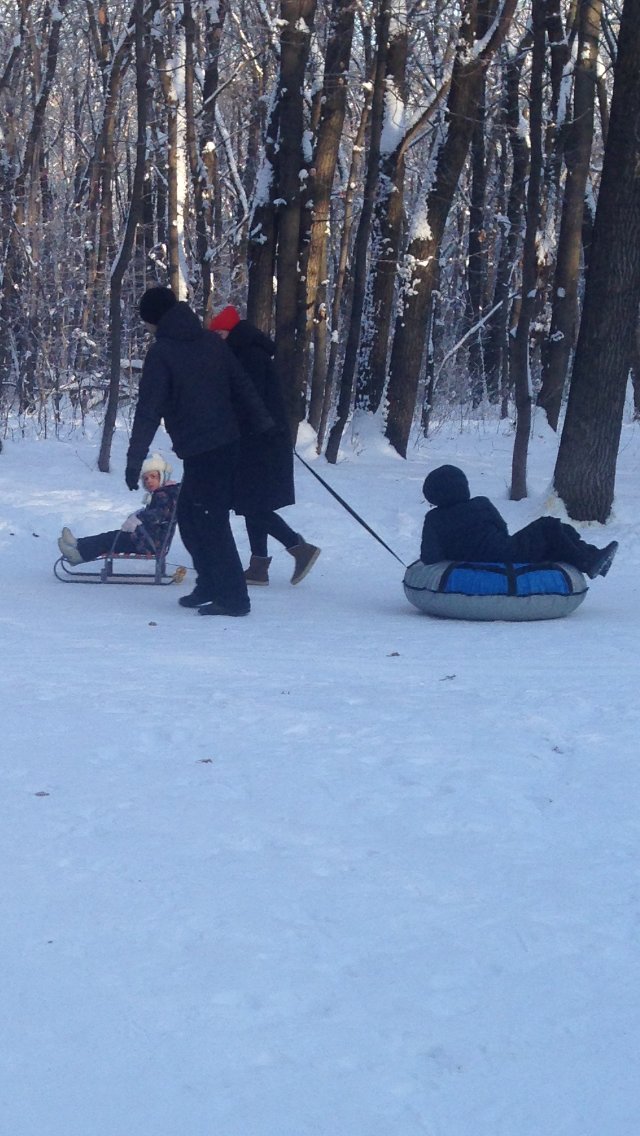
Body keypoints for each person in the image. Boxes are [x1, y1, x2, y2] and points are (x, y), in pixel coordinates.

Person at [127, 286, 273, 616]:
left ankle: (235, 598)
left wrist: (134, 459)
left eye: (146, 321)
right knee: (192, 518)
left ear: (154, 319)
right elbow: (242, 384)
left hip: (209, 449)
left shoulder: (162, 353)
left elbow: (148, 411)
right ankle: (209, 583)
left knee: (210, 521)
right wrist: (262, 421)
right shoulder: (210, 341)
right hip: (214, 446)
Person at [209, 305, 321, 586]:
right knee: (251, 503)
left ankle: (298, 547)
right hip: (257, 440)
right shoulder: (245, 352)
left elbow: (249, 403)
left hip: (260, 443)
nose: (217, 340)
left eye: (219, 334)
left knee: (252, 504)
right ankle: (259, 566)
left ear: (230, 331)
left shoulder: (248, 355)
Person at [420, 464, 618, 578]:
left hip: (479, 560)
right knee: (549, 526)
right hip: (505, 554)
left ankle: (592, 557)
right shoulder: (480, 504)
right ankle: (587, 560)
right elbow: (502, 528)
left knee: (555, 531)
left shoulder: (434, 519)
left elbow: (430, 556)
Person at [57, 453, 179, 564]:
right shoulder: (165, 493)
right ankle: (77, 544)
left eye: (153, 476)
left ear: (162, 476)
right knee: (111, 536)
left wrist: (138, 519)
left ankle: (78, 556)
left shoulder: (164, 495)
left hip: (148, 543)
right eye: (145, 478)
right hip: (146, 539)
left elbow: (158, 515)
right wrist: (139, 515)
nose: (149, 481)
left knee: (109, 540)